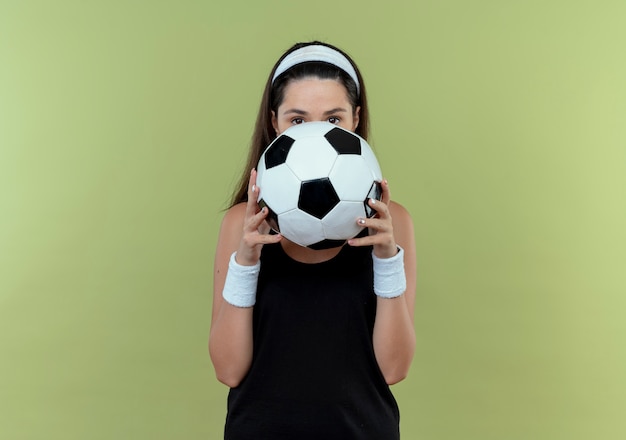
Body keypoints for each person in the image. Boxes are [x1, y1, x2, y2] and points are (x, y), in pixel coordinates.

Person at [209, 41, 417, 439]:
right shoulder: (242, 224)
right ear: (275, 124)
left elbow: (394, 369)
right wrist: (246, 260)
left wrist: (388, 258)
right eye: (298, 120)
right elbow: (227, 369)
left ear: (356, 120)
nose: (317, 133)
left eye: (334, 120)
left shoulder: (394, 224)